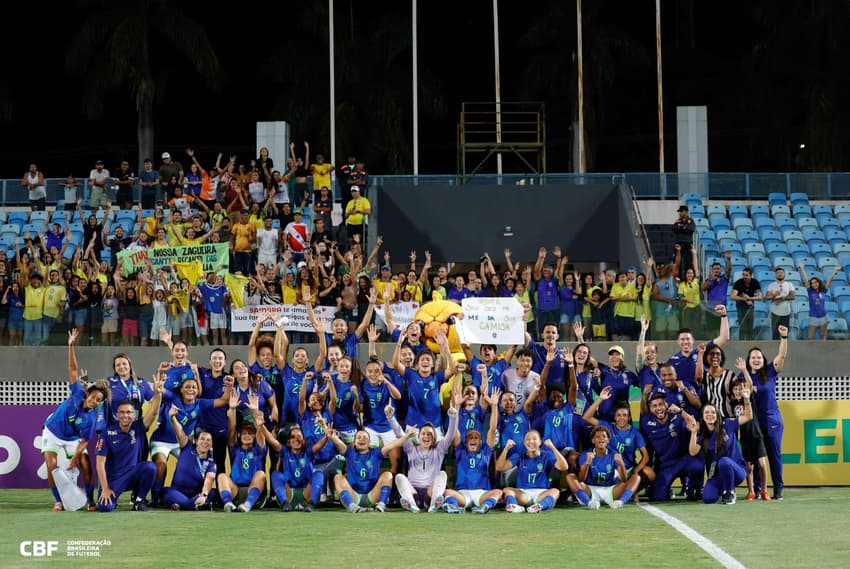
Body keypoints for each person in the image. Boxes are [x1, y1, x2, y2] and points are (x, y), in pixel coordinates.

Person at [42, 330, 111, 511]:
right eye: (93, 397)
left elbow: (85, 440)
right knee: (52, 465)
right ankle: (58, 500)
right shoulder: (78, 392)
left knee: (86, 464)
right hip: (53, 431)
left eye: (98, 400)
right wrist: (71, 345)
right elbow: (72, 369)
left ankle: (89, 499)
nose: (94, 401)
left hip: (73, 439)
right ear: (88, 393)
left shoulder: (91, 419)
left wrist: (76, 458)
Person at [388, 395, 458, 513]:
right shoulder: (411, 448)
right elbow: (399, 433)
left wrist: (453, 416)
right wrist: (390, 417)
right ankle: (412, 504)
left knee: (442, 474)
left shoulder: (439, 449)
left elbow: (450, 435)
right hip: (413, 491)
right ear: (418, 436)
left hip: (430, 493)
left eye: (430, 434)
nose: (426, 436)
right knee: (399, 477)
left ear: (434, 437)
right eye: (424, 434)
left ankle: (434, 503)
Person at [327, 421, 414, 513]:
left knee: (388, 474)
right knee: (338, 477)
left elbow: (394, 444)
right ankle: (351, 507)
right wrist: (330, 433)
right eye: (359, 437)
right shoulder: (349, 452)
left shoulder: (376, 453)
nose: (362, 439)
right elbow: (335, 439)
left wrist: (407, 436)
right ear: (355, 443)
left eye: (365, 437)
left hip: (372, 496)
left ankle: (381, 506)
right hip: (353, 496)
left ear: (369, 443)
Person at [687, 386, 754, 505]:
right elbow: (693, 452)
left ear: (717, 414)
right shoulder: (703, 434)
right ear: (702, 416)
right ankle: (723, 489)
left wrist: (746, 399)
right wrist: (693, 432)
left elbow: (748, 416)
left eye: (713, 412)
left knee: (724, 461)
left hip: (736, 470)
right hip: (717, 474)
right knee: (708, 499)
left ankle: (729, 492)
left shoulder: (727, 424)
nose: (710, 414)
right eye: (706, 412)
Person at [582, 387, 654, 498]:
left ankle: (632, 490)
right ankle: (621, 492)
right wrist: (600, 399)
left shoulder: (635, 432)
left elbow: (646, 457)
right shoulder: (608, 427)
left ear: (629, 417)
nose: (622, 418)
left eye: (625, 415)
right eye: (619, 415)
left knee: (650, 473)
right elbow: (587, 417)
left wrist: (636, 471)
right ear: (615, 417)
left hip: (629, 469)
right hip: (612, 469)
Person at [443, 387, 503, 513]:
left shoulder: (486, 451)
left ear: (481, 441)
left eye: (476, 437)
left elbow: (492, 430)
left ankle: (485, 506)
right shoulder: (460, 451)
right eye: (470, 437)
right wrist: (457, 406)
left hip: (482, 494)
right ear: (466, 441)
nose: (473, 439)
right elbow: (455, 430)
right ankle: (453, 507)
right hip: (463, 494)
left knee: (498, 492)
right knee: (447, 492)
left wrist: (494, 406)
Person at [746, 325, 789, 500]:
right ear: (748, 361)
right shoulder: (744, 377)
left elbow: (782, 356)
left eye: (758, 357)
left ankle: (778, 488)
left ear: (763, 359)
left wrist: (784, 337)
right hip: (754, 421)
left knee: (774, 455)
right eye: (752, 357)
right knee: (757, 457)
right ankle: (757, 489)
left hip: (772, 419)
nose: (756, 360)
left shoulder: (770, 371)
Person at [640, 388, 704, 501]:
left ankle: (695, 489)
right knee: (658, 497)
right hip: (666, 465)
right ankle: (666, 489)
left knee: (697, 466)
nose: (658, 408)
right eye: (654, 406)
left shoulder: (677, 417)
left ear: (666, 404)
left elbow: (693, 424)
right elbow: (648, 447)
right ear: (650, 408)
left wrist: (681, 411)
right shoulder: (646, 423)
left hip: (684, 460)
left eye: (660, 404)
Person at [566, 425, 641, 509]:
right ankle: (589, 503)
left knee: (636, 478)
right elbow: (581, 479)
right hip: (590, 490)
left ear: (608, 440)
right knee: (570, 477)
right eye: (597, 437)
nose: (601, 439)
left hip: (610, 490)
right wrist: (587, 463)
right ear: (593, 440)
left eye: (604, 436)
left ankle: (620, 502)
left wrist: (621, 463)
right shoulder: (586, 454)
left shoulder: (614, 454)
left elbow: (624, 479)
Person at [218, 393, 269, 512]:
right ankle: (228, 504)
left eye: (250, 433)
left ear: (254, 436)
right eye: (244, 433)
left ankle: (247, 505)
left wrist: (255, 410)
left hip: (255, 493)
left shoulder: (259, 448)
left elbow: (260, 430)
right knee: (221, 476)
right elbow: (231, 429)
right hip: (236, 491)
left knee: (261, 474)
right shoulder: (235, 449)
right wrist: (232, 409)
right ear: (239, 435)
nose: (247, 435)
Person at [496, 430, 569, 513]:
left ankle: (539, 506)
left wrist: (552, 447)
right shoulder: (519, 455)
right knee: (507, 490)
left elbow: (564, 467)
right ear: (524, 443)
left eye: (534, 439)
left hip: (541, 493)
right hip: (523, 493)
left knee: (555, 491)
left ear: (540, 442)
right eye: (528, 439)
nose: (531, 441)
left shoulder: (547, 455)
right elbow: (499, 467)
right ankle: (514, 506)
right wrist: (506, 449)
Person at [163, 404, 217, 510]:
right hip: (176, 492)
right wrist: (172, 418)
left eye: (208, 440)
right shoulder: (187, 447)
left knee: (213, 492)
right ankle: (195, 505)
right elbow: (179, 431)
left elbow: (209, 479)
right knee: (167, 492)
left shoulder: (211, 463)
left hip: (196, 494)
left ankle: (184, 505)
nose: (205, 442)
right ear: (196, 441)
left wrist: (204, 495)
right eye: (202, 439)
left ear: (212, 444)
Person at [728, 376, 770, 501]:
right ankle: (751, 491)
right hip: (744, 439)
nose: (738, 391)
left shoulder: (748, 398)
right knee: (749, 467)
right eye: (735, 389)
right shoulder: (732, 404)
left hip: (756, 436)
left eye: (740, 388)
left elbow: (750, 385)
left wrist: (744, 370)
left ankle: (764, 490)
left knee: (762, 464)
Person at [798, 261, 841, 340]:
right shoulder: (810, 291)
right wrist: (802, 269)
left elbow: (829, 281)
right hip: (813, 316)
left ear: (819, 283)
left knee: (823, 336)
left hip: (824, 316)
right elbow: (805, 280)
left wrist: (835, 270)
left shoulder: (823, 291)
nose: (815, 284)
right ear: (811, 285)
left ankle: (823, 351)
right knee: (810, 337)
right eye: (813, 283)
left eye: (816, 282)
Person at [701, 252, 732, 338]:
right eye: (715, 269)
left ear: (720, 270)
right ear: (712, 270)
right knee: (711, 330)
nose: (717, 270)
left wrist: (729, 260)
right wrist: (710, 280)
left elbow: (729, 270)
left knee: (720, 329)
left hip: (721, 308)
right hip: (711, 308)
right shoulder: (709, 279)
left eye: (718, 269)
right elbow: (703, 288)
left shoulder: (724, 278)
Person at [730, 267, 762, 342]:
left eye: (746, 275)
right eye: (743, 275)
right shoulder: (738, 282)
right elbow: (733, 296)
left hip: (750, 307)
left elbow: (760, 297)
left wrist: (749, 298)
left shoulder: (755, 282)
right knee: (742, 327)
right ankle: (741, 343)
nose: (745, 277)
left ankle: (750, 343)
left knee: (750, 327)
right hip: (741, 307)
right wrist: (744, 299)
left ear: (751, 275)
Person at [764, 268, 795, 340]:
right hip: (775, 312)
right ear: (776, 275)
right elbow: (767, 297)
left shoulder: (789, 284)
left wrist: (781, 299)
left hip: (786, 312)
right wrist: (774, 295)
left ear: (784, 274)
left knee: (785, 333)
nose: (780, 274)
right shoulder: (771, 285)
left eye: (781, 272)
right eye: (778, 273)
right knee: (775, 333)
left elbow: (792, 296)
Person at [672, 205, 695, 278]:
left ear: (686, 212)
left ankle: (689, 278)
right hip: (679, 244)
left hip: (688, 244)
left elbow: (691, 229)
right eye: (680, 212)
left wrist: (681, 227)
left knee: (688, 263)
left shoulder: (691, 221)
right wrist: (684, 227)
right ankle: (677, 278)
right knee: (677, 262)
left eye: (681, 211)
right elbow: (674, 228)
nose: (680, 213)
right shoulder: (677, 221)